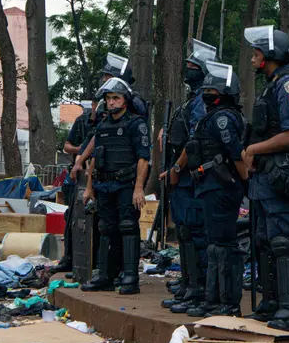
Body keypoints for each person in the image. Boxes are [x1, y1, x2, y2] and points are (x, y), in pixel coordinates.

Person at [242, 24, 289, 332]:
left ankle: (288, 309)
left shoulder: (288, 84)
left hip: (281, 176)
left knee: (283, 241)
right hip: (266, 177)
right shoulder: (272, 84)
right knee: (263, 241)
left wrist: (253, 149)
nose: (253, 58)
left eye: (257, 53)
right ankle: (270, 302)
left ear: (270, 55)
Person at [172, 62, 249, 317]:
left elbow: (236, 154)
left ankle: (227, 303)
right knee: (215, 244)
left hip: (222, 187)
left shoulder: (224, 118)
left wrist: (245, 182)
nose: (207, 95)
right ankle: (212, 299)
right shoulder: (210, 117)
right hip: (208, 187)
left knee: (224, 246)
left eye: (212, 92)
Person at [160, 40, 216, 312]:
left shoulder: (200, 103)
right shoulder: (191, 101)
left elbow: (195, 143)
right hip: (181, 176)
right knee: (183, 232)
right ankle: (188, 283)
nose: (189, 70)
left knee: (194, 232)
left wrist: (177, 168)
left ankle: (198, 288)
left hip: (191, 177)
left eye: (195, 67)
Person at [80, 78, 150, 294]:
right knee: (104, 229)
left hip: (126, 185)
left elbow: (143, 159)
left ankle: (130, 276)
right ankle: (104, 275)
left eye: (116, 98)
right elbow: (94, 159)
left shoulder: (136, 124)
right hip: (104, 184)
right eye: (109, 99)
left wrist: (139, 188)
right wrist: (89, 187)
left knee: (128, 227)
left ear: (125, 100)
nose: (111, 103)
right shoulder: (102, 127)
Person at [53, 99, 99, 274]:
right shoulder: (82, 121)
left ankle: (92, 261)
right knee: (72, 217)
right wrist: (79, 150)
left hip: (96, 176)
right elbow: (67, 146)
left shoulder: (106, 121)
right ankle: (70, 258)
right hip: (78, 176)